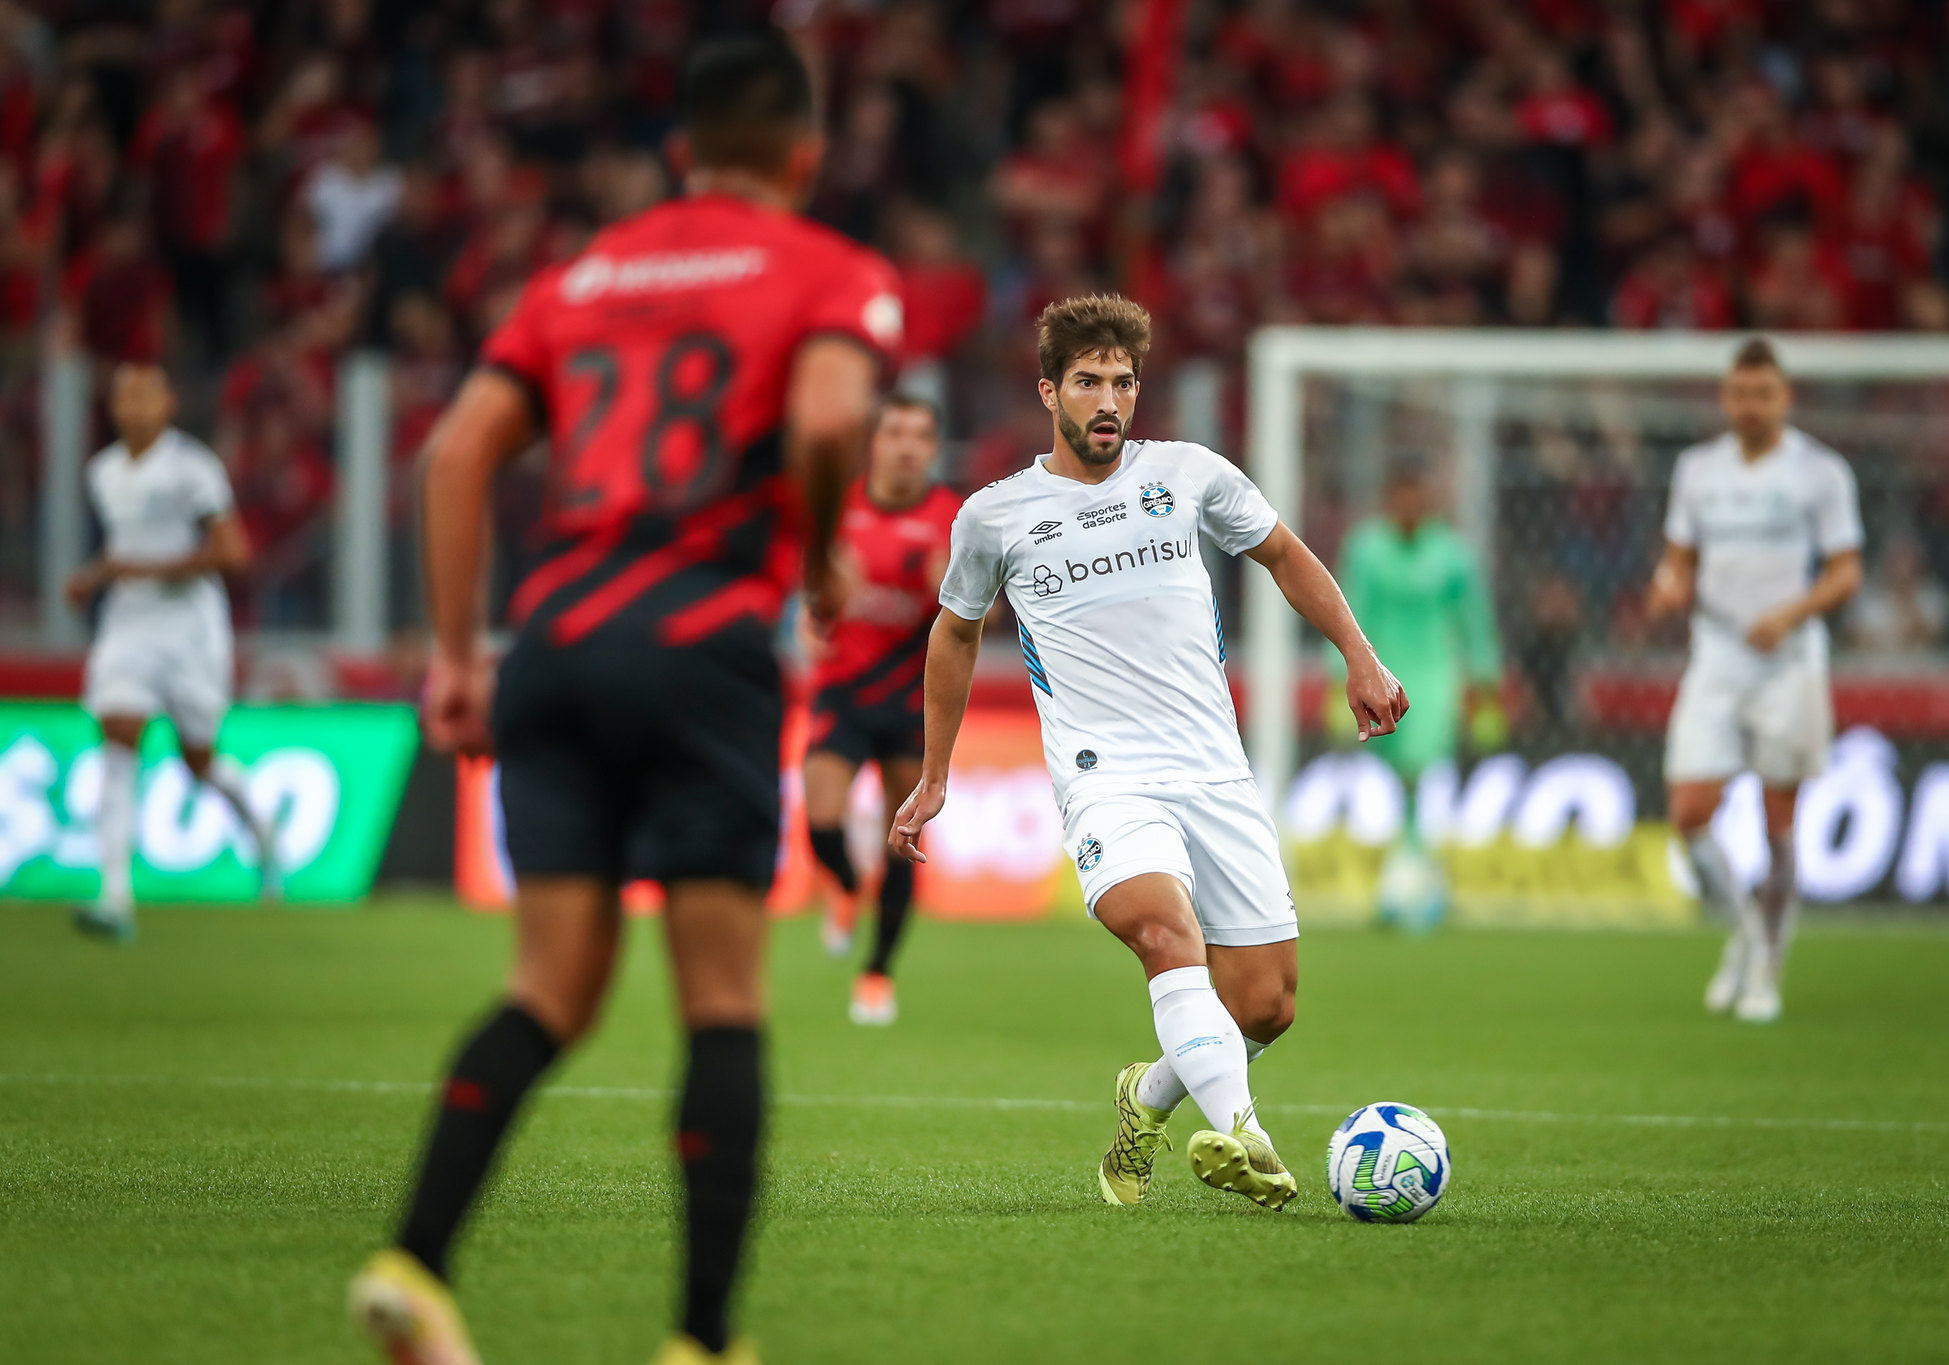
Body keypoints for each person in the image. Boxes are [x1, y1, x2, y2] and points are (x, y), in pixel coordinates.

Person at [346, 33, 900, 1365]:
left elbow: (455, 450)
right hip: (700, 642)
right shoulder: (831, 272)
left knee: (549, 986)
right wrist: (820, 552)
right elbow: (829, 422)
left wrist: (457, 656)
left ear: (679, 154)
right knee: (720, 999)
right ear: (806, 158)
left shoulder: (581, 276)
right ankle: (702, 1341)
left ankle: (414, 1264)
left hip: (553, 641)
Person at [889, 295, 1407, 1211]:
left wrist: (1359, 657)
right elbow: (954, 635)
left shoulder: (1190, 473)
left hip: (1214, 768)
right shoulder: (997, 515)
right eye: (1088, 381)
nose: (1108, 401)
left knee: (1266, 1004)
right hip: (1106, 779)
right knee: (1166, 934)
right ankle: (1246, 1137)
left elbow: (1286, 554)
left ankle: (1149, 1093)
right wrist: (936, 772)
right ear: (1050, 390)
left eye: (1123, 382)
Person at [1646, 337, 1863, 1024]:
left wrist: (1790, 613)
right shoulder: (1697, 470)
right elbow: (1679, 557)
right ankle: (1743, 930)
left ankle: (1767, 964)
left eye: (1763, 393)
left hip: (1789, 658)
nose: (1750, 405)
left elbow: (1845, 570)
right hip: (1716, 652)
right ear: (1725, 397)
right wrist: (1668, 586)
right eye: (1739, 393)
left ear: (1784, 397)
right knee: (1687, 812)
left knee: (1779, 821)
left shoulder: (1819, 472)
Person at [66, 362, 276, 942]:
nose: (134, 407)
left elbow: (233, 554)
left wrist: (141, 569)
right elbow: (126, 546)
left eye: (145, 395)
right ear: (113, 408)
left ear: (168, 404)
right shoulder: (102, 471)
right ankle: (114, 897)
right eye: (124, 396)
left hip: (191, 631)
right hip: (129, 626)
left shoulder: (192, 469)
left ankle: (260, 829)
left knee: (199, 762)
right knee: (118, 734)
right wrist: (97, 575)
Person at [803, 392, 959, 1025]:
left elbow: (986, 614)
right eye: (894, 432)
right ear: (875, 443)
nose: (906, 446)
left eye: (919, 435)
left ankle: (876, 974)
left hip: (910, 697)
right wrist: (820, 599)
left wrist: (948, 592)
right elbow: (813, 602)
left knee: (904, 840)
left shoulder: (953, 518)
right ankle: (843, 887)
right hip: (842, 689)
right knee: (819, 820)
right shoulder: (839, 509)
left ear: (933, 448)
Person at [1328, 456, 1503, 927]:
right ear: (1390, 501)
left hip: (1434, 674)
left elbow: (1474, 620)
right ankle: (1420, 869)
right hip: (1379, 669)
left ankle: (1408, 875)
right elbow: (1347, 609)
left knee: (1418, 768)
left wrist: (1484, 681)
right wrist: (1336, 675)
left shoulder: (1451, 553)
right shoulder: (1366, 549)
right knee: (1398, 776)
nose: (1408, 506)